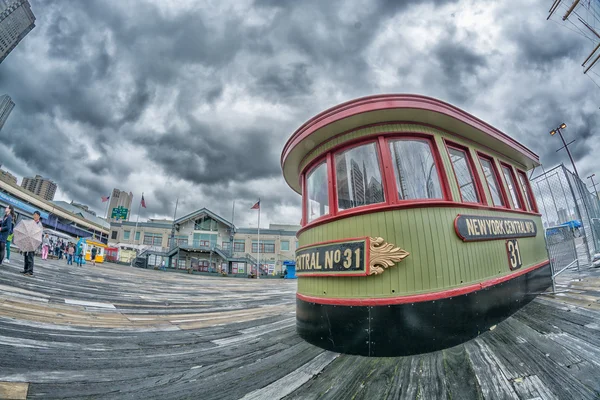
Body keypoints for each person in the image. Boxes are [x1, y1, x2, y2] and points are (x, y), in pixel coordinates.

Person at [22, 211, 43, 276]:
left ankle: (30, 271)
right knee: (26, 255)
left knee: (30, 256)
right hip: (28, 241)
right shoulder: (31, 222)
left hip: (33, 242)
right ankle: (25, 269)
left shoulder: (39, 225)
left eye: (36, 215)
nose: (35, 216)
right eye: (34, 215)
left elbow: (39, 234)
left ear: (39, 216)